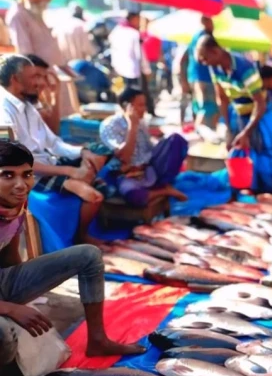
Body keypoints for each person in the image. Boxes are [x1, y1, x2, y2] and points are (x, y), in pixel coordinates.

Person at [0, 141, 145, 371]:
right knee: (3, 334)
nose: (21, 185)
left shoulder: (15, 205)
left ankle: (97, 340)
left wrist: (22, 294)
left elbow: (9, 258)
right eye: (7, 175)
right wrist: (9, 309)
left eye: (27, 174)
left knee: (88, 255)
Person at [0, 55, 110, 245]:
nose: (39, 83)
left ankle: (82, 229)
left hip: (49, 163)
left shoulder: (27, 106)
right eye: (34, 77)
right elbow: (17, 165)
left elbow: (54, 142)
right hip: (32, 174)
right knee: (94, 195)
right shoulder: (4, 111)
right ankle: (81, 238)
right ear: (15, 80)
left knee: (99, 154)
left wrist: (83, 153)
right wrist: (68, 171)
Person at [195, 35, 272, 194]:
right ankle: (251, 192)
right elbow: (221, 98)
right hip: (239, 113)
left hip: (261, 116)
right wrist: (229, 128)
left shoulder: (244, 67)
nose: (202, 62)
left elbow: (260, 103)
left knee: (265, 157)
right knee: (242, 154)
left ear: (215, 51)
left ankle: (271, 193)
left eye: (204, 57)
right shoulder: (214, 68)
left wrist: (246, 132)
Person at [99, 88, 188, 207]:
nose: (145, 109)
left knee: (176, 140)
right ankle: (165, 191)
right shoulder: (110, 125)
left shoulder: (141, 122)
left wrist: (161, 142)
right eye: (140, 105)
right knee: (134, 196)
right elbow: (125, 157)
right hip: (126, 175)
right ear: (127, 106)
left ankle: (164, 182)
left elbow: (149, 150)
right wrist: (132, 126)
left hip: (148, 169)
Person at [7, 0, 79, 118]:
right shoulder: (18, 16)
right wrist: (39, 80)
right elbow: (25, 54)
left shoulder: (33, 11)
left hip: (53, 77)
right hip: (43, 82)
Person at [109, 11, 154, 115]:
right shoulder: (133, 34)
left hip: (120, 68)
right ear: (133, 19)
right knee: (136, 95)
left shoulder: (116, 31)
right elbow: (140, 54)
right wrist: (146, 70)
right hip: (133, 69)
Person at [179, 16, 217, 129]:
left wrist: (184, 80)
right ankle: (204, 133)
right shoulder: (204, 38)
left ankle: (202, 132)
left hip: (196, 78)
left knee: (202, 108)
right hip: (203, 78)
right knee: (206, 109)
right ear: (205, 22)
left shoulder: (196, 37)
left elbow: (183, 59)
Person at [25, 54, 60, 134]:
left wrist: (54, 95)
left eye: (44, 77)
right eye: (37, 76)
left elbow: (53, 131)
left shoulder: (35, 100)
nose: (43, 82)